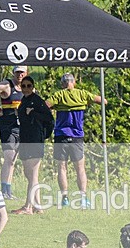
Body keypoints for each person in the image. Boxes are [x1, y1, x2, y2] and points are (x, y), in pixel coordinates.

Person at [45, 73, 105, 209]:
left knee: (62, 168)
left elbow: (45, 105)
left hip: (61, 135)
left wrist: (57, 107)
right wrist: (87, 102)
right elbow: (103, 101)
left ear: (62, 84)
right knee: (80, 169)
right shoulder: (82, 94)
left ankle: (65, 198)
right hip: (77, 136)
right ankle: (83, 198)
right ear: (74, 82)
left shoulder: (59, 95)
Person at [13, 75, 54, 215]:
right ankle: (38, 206)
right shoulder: (24, 100)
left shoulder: (37, 101)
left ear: (33, 87)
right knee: (29, 174)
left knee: (33, 174)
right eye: (23, 86)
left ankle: (28, 206)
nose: (26, 88)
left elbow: (49, 119)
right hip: (25, 139)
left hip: (35, 141)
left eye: (28, 86)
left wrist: (42, 134)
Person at [0, 65, 28, 200]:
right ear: (13, 73)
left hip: (21, 127)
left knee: (13, 160)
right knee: (9, 157)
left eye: (22, 72)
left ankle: (8, 191)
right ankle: (4, 191)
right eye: (17, 72)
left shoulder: (28, 86)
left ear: (26, 73)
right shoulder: (7, 85)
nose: (20, 75)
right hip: (7, 126)